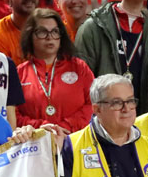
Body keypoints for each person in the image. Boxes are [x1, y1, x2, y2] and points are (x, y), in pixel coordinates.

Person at [15, 8, 93, 139]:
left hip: (75, 140)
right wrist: (40, 128)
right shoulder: (20, 73)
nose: (50, 37)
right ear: (30, 35)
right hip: (35, 142)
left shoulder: (79, 68)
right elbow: (13, 113)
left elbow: (94, 104)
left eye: (55, 31)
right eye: (42, 32)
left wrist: (66, 126)